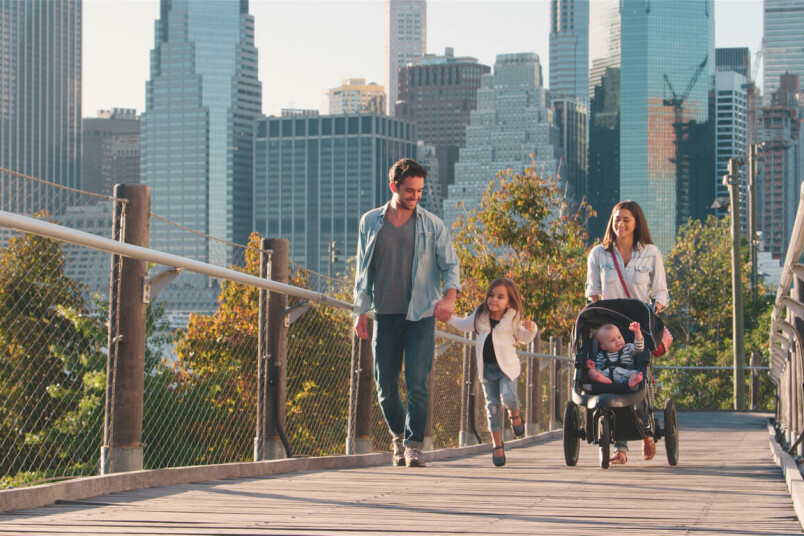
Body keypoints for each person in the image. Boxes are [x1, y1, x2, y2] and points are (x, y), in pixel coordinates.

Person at [353, 158, 461, 468]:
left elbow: (450, 266)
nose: (415, 196)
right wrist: (360, 311)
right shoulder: (370, 222)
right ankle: (398, 438)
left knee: (417, 382)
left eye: (419, 191)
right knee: (385, 386)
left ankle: (414, 446)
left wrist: (450, 298)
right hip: (385, 315)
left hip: (421, 316)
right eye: (409, 190)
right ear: (394, 187)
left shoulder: (433, 225)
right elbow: (363, 270)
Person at [585, 200, 669, 465]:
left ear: (636, 224)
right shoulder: (599, 254)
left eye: (626, 220)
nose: (620, 224)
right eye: (617, 219)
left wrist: (650, 313)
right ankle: (620, 448)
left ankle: (645, 430)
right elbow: (593, 292)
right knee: (612, 380)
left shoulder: (651, 253)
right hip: (609, 327)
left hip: (638, 327)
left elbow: (661, 293)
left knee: (637, 379)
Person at [446, 278, 537, 467]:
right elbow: (464, 325)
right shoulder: (481, 315)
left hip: (507, 369)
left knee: (508, 398)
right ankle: (497, 444)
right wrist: (447, 316)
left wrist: (532, 328)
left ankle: (515, 414)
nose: (494, 300)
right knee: (492, 407)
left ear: (509, 302)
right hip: (487, 370)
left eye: (500, 297)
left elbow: (525, 338)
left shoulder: (513, 318)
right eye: (491, 295)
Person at [587, 322, 645, 391]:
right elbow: (598, 367)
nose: (618, 341)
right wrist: (592, 368)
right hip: (607, 375)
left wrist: (637, 332)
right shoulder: (601, 355)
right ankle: (602, 380)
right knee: (591, 373)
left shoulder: (628, 348)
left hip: (625, 374)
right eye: (612, 340)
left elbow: (639, 348)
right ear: (604, 347)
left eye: (619, 337)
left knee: (635, 373)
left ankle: (632, 382)